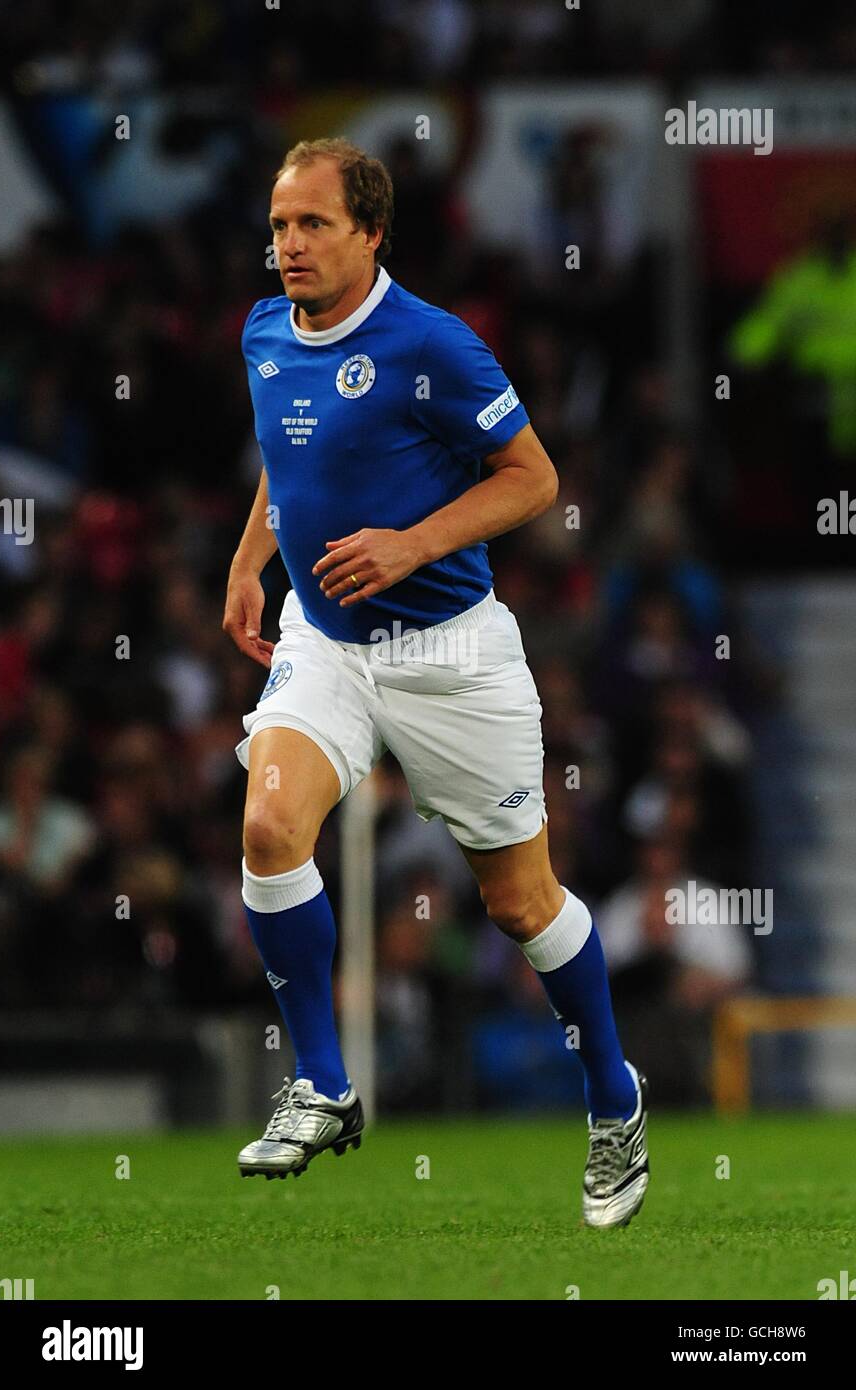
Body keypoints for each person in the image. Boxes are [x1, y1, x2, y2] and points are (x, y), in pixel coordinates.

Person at [222, 138, 648, 1228]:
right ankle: (323, 1081)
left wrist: (410, 543)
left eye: (312, 224)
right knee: (270, 828)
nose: (289, 246)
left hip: (451, 652)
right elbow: (290, 451)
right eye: (279, 226)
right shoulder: (266, 331)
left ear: (371, 233)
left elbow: (534, 478)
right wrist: (246, 566)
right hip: (326, 641)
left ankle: (613, 1096)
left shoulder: (434, 345)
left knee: (520, 904)